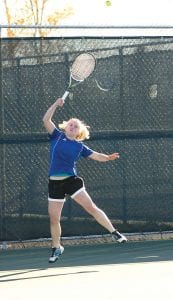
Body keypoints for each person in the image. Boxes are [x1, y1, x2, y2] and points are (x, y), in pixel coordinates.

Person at [43, 97, 127, 263]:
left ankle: (114, 232)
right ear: (66, 126)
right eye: (71, 124)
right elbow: (46, 119)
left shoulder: (80, 146)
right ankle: (56, 247)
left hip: (72, 181)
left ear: (78, 132)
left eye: (76, 126)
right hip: (54, 184)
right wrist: (56, 104)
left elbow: (97, 156)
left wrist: (108, 158)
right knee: (54, 218)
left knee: (91, 208)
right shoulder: (56, 136)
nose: (73, 126)